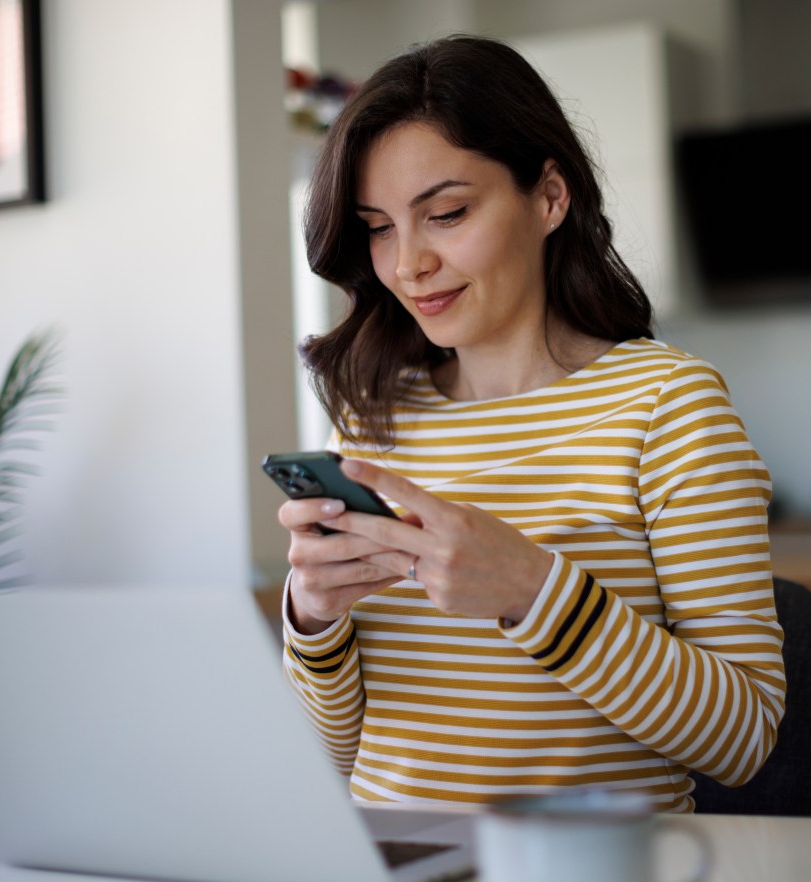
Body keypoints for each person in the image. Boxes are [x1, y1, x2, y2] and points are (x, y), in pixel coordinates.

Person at [276, 34, 784, 813]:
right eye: (378, 227)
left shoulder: (667, 406)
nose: (407, 264)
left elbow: (742, 740)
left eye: (446, 213)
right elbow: (335, 754)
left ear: (550, 197)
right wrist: (313, 618)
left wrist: (532, 590)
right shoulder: (374, 419)